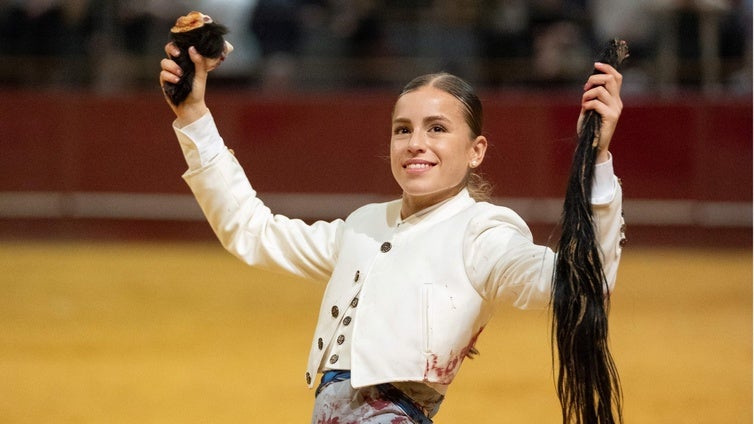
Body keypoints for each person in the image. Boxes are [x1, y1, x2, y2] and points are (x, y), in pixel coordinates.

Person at [159, 43, 625, 423]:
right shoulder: (364, 226)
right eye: (403, 129)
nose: (415, 143)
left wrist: (597, 161)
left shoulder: (483, 233)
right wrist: (194, 116)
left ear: (476, 150)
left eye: (437, 128)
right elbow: (254, 231)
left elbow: (581, 287)